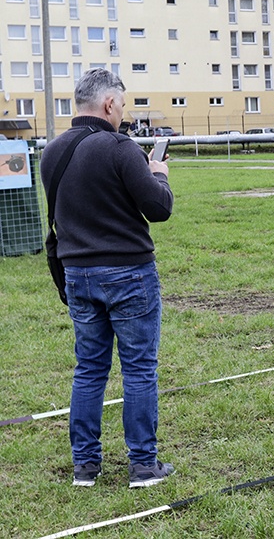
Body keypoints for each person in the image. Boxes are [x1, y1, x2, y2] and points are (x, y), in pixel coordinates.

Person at [40, 68, 175, 488]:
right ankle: (143, 466)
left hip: (78, 275)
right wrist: (158, 173)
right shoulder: (120, 148)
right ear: (109, 104)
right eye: (123, 103)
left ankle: (85, 466)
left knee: (89, 369)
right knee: (138, 368)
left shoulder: (51, 152)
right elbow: (159, 208)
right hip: (129, 275)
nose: (124, 112)